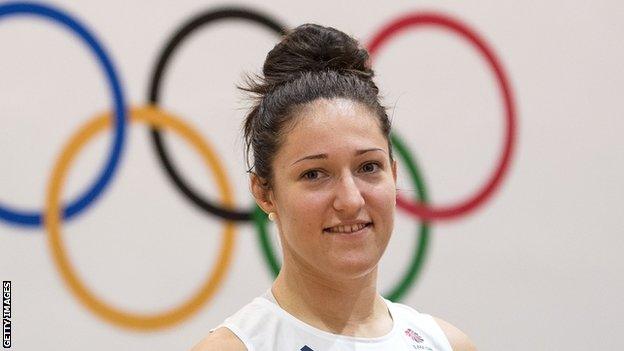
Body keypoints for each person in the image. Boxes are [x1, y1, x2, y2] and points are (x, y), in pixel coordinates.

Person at [192, 23, 477, 351]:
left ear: (394, 175)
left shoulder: (447, 344)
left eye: (368, 167)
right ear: (264, 193)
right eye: (314, 174)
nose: (351, 200)